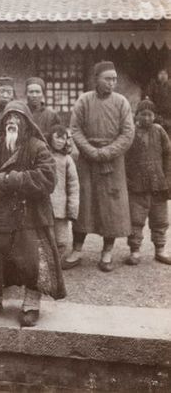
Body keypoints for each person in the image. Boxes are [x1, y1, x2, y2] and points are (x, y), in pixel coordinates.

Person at [0, 100, 65, 327]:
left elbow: (48, 178)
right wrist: (3, 181)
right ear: (3, 124)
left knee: (33, 260)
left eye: (17, 120)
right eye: (8, 120)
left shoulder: (38, 147)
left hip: (31, 213)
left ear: (26, 123)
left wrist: (16, 179)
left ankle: (32, 303)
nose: (12, 124)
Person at [65, 61, 135, 272]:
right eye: (108, 79)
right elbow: (75, 129)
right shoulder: (84, 100)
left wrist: (106, 152)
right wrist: (90, 151)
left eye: (114, 79)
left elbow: (128, 133)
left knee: (111, 207)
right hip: (87, 161)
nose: (112, 83)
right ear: (96, 79)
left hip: (112, 162)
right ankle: (77, 249)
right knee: (84, 204)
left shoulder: (122, 102)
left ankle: (106, 252)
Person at [125, 99, 171, 266]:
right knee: (135, 219)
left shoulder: (159, 131)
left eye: (150, 115)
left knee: (160, 219)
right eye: (143, 114)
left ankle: (160, 249)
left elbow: (168, 154)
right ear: (136, 115)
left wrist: (168, 178)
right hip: (137, 186)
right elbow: (125, 159)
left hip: (158, 185)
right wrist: (128, 180)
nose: (146, 118)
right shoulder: (131, 133)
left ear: (155, 116)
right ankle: (135, 250)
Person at [47, 125, 79, 257]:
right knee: (46, 237)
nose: (60, 141)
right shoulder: (43, 156)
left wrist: (72, 208)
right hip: (45, 204)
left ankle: (58, 261)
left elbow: (73, 185)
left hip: (61, 206)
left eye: (63, 138)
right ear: (50, 138)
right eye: (57, 137)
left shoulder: (67, 159)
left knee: (61, 240)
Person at [146, 68, 171, 136]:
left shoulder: (169, 85)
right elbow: (148, 97)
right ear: (157, 75)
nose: (163, 76)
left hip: (168, 115)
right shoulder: (153, 84)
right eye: (161, 73)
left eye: (165, 74)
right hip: (155, 113)